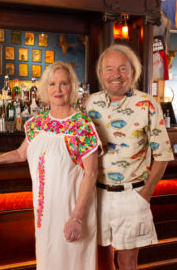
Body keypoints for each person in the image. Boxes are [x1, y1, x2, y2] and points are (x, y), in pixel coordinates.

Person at [0, 61, 102, 270]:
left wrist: (77, 218)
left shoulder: (82, 125)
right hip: (45, 213)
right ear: (45, 88)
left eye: (63, 83)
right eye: (52, 84)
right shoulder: (38, 123)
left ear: (72, 87)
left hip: (71, 213)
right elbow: (21, 153)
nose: (58, 89)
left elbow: (91, 174)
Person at [85, 44, 174, 270]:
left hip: (132, 195)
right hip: (96, 195)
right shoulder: (88, 104)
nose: (116, 75)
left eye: (123, 69)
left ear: (133, 72)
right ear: (101, 74)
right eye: (109, 69)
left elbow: (163, 155)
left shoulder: (147, 104)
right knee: (100, 259)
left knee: (127, 262)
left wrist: (144, 195)